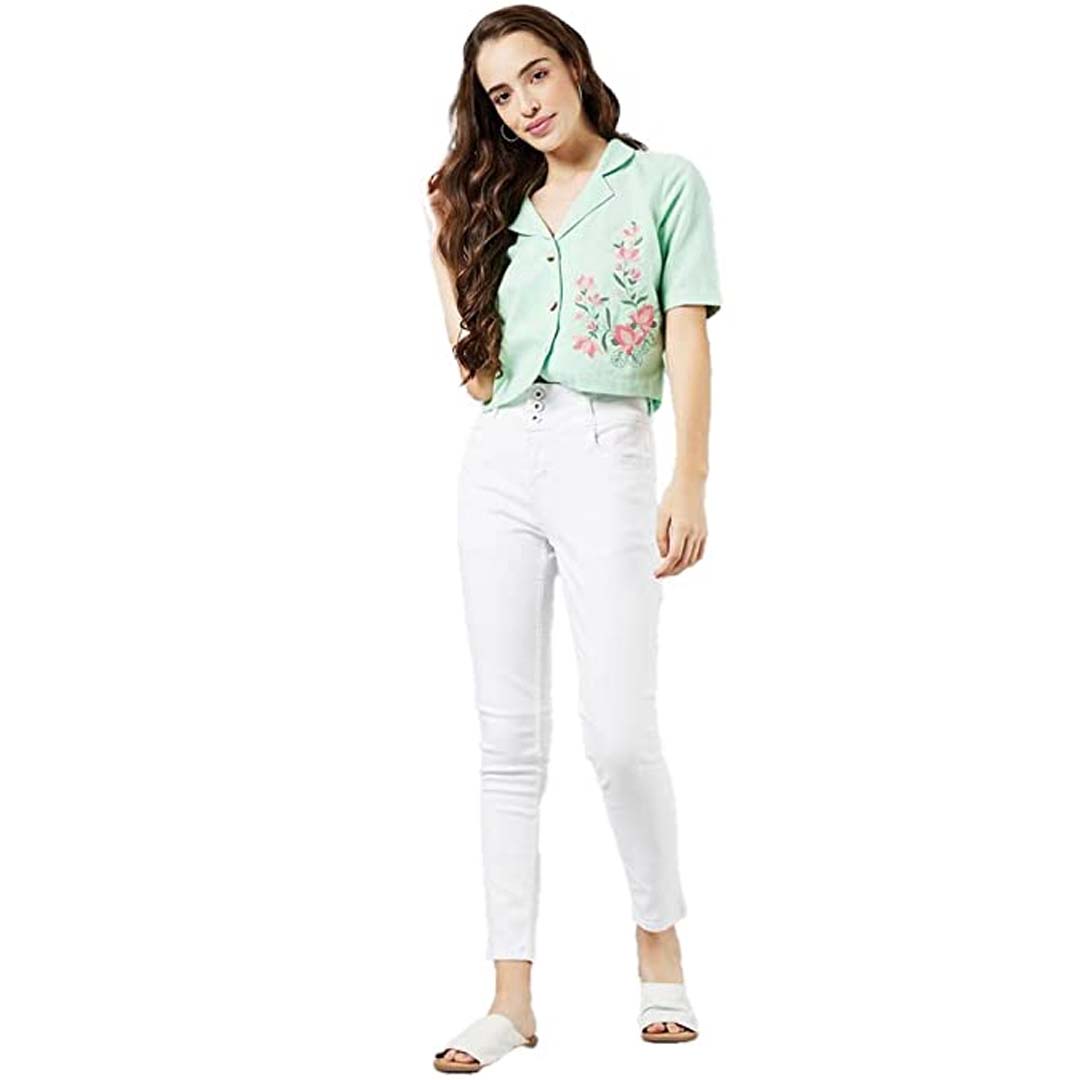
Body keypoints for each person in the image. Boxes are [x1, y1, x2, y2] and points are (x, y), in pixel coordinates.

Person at [424, 5, 722, 1071]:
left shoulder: (663, 183)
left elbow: (685, 332)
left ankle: (659, 950)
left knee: (619, 733)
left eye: (536, 74)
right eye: (500, 95)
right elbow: (478, 376)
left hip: (610, 448)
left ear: (576, 66)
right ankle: (511, 1000)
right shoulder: (493, 204)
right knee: (507, 741)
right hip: (502, 459)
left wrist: (689, 476)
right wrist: (443, 238)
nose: (525, 105)